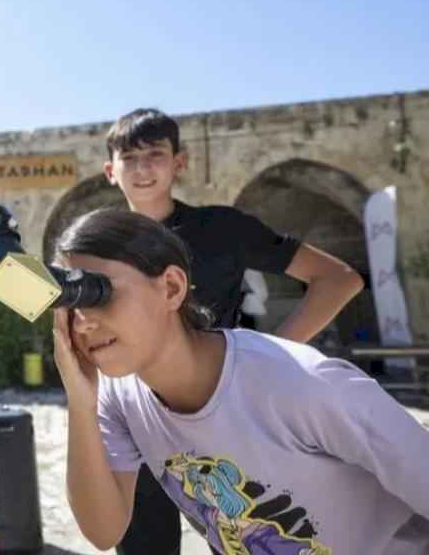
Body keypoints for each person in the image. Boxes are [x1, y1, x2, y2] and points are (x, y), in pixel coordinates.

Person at [54, 207, 429, 555]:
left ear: (172, 288)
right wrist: (80, 400)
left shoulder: (303, 384)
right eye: (71, 303)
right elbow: (104, 531)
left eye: (97, 292)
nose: (85, 321)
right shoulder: (118, 399)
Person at [100, 108, 366, 554]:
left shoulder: (223, 229)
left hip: (220, 415)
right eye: (130, 157)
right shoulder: (100, 247)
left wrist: (268, 356)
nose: (143, 168)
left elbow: (339, 279)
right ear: (111, 171)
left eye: (155, 154)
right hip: (136, 416)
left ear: (179, 162)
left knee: (252, 542)